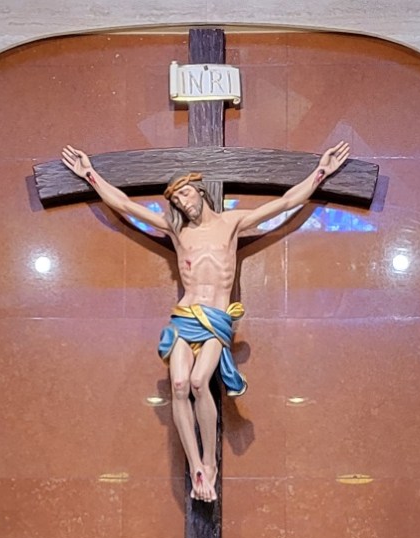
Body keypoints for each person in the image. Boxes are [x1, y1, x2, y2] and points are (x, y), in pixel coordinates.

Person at [59, 141, 351, 501]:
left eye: (185, 194)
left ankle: (209, 461)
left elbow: (287, 202)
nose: (182, 203)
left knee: (199, 382)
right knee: (179, 384)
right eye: (176, 200)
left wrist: (321, 172)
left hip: (215, 319)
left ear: (199, 191)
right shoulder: (177, 230)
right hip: (185, 315)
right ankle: (196, 465)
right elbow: (124, 205)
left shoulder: (232, 223)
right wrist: (90, 174)